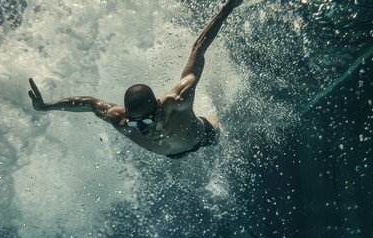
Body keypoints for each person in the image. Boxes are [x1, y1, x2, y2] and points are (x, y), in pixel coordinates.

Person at [28, 0, 243, 158]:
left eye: (146, 119)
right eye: (134, 120)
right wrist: (46, 106)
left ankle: (212, 117)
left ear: (159, 106)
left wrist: (227, 8)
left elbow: (199, 49)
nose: (141, 128)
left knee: (217, 134)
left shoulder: (179, 99)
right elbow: (90, 103)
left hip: (201, 138)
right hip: (172, 155)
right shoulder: (121, 121)